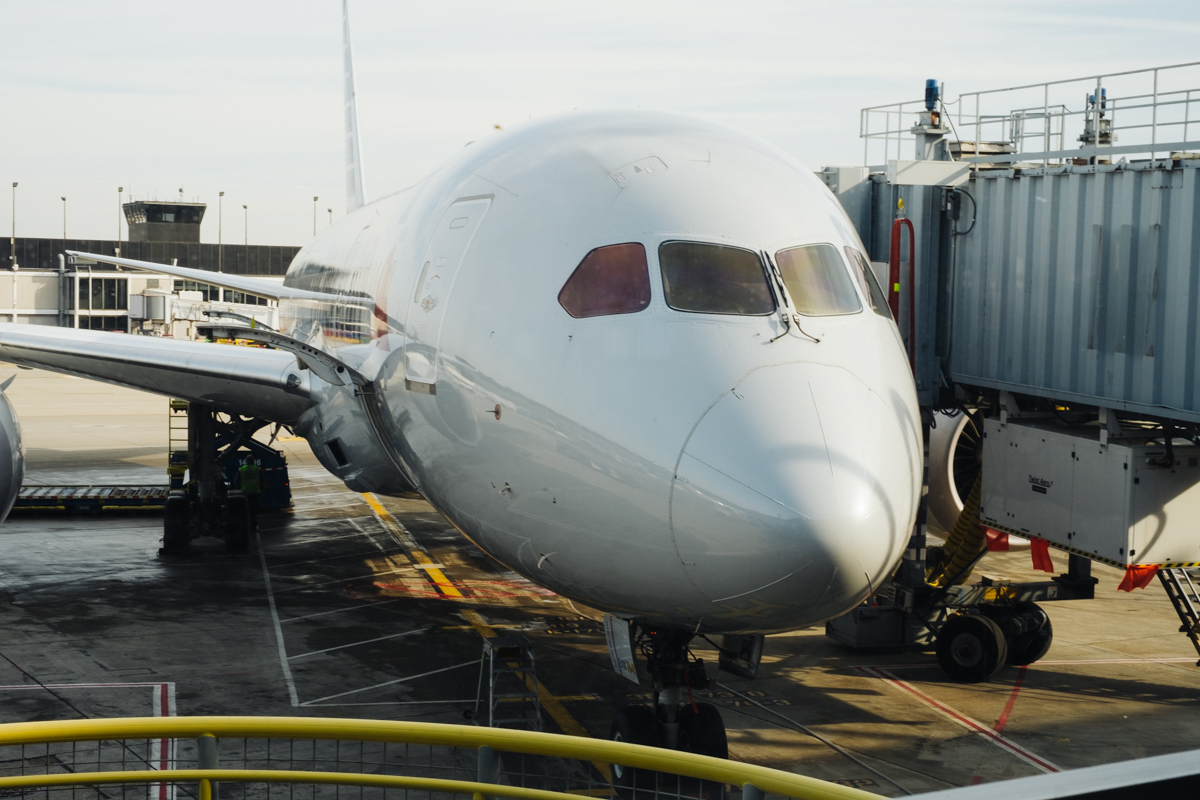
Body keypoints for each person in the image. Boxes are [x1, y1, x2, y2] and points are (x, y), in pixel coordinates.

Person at [236, 453, 262, 530]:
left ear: (246, 461)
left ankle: (246, 525)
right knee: (254, 510)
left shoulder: (242, 469)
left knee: (245, 510)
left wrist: (239, 489)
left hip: (245, 492)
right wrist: (262, 489)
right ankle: (254, 525)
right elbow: (262, 480)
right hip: (255, 492)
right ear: (253, 461)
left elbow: (236, 481)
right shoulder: (257, 469)